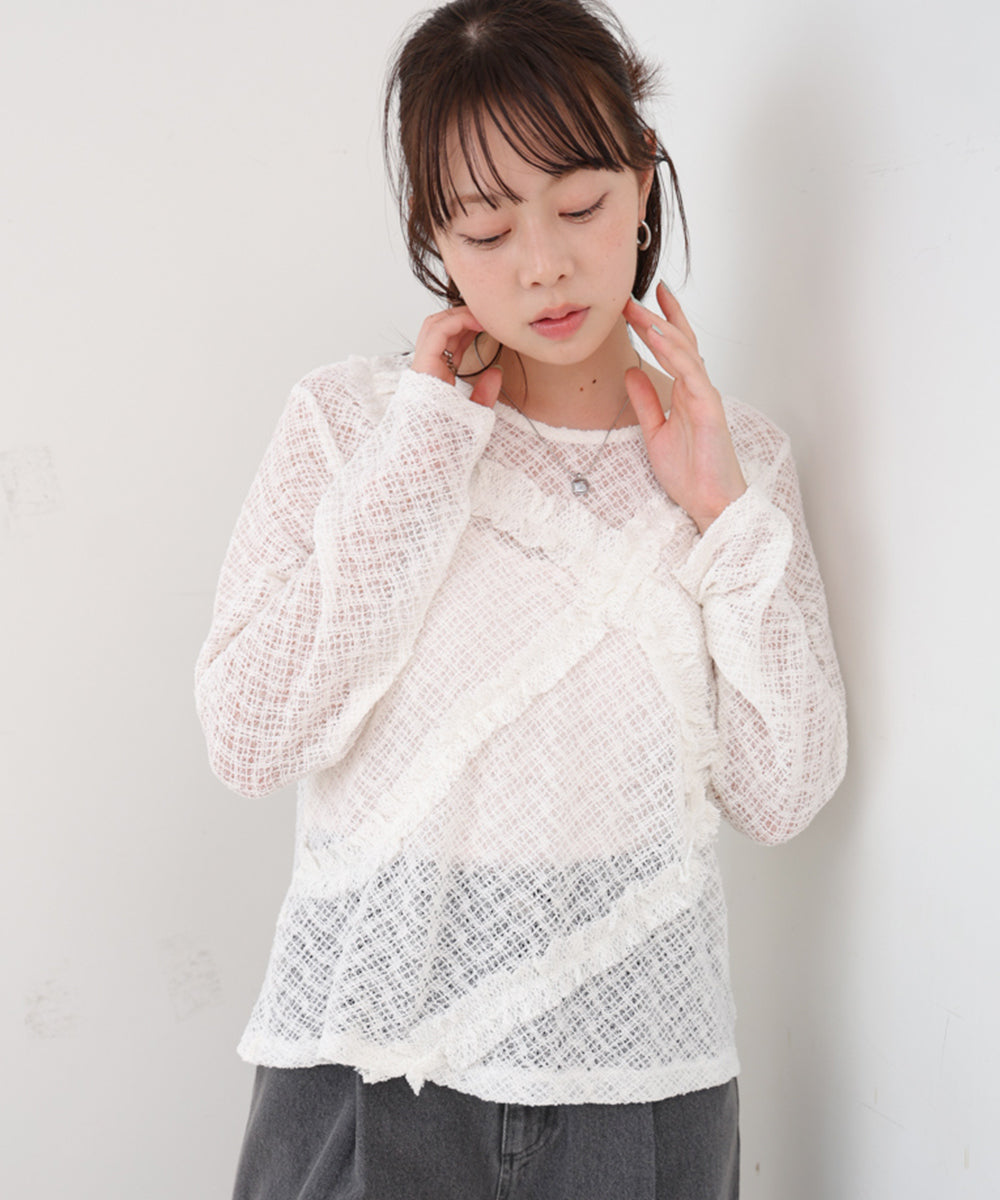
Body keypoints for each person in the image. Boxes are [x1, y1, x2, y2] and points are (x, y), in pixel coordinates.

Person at [194, 1, 848, 1196]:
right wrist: (424, 445)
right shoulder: (353, 425)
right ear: (433, 235)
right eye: (487, 228)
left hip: (643, 1085)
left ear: (642, 182)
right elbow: (247, 735)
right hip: (371, 1067)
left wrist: (722, 513)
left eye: (580, 206)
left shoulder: (735, 455)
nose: (541, 263)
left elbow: (782, 791)